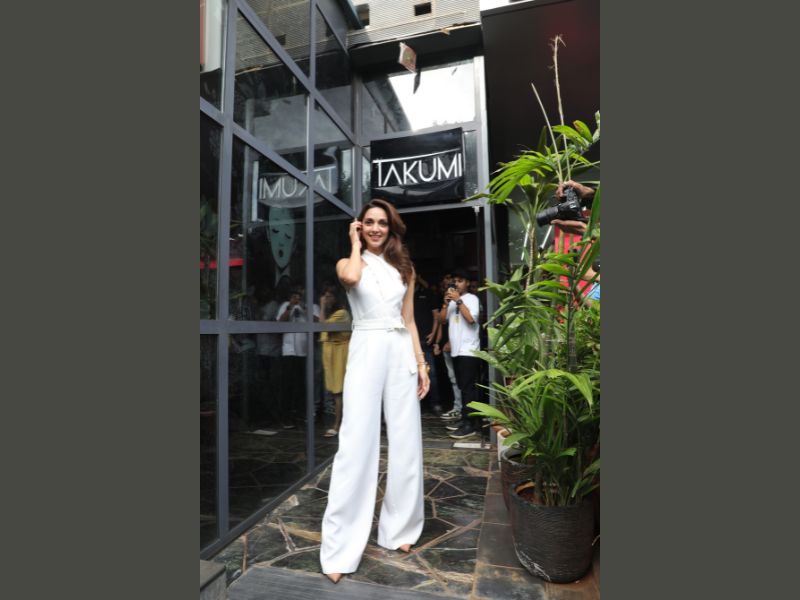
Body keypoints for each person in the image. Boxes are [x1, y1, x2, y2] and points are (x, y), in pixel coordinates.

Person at [320, 199, 430, 584]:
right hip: (366, 347)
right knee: (355, 443)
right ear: (360, 226)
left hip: (399, 349)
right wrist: (354, 244)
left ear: (391, 228)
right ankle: (339, 548)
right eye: (369, 222)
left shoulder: (405, 268)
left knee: (406, 440)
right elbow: (351, 279)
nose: (376, 228)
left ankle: (401, 528)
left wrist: (421, 363)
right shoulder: (348, 263)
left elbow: (409, 320)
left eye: (382, 223)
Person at [438, 268, 482, 440]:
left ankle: (470, 424)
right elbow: (442, 320)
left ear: (468, 283)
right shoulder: (451, 301)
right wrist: (445, 304)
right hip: (456, 350)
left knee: (468, 389)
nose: (456, 283)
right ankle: (466, 420)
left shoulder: (472, 299)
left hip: (469, 350)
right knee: (463, 388)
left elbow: (471, 319)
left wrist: (458, 301)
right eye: (455, 281)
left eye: (460, 280)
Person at [319, 288, 351, 437]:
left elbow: (323, 326)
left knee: (339, 392)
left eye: (328, 296)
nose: (326, 299)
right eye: (324, 297)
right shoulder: (334, 314)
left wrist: (321, 306)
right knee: (336, 392)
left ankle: (337, 426)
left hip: (340, 355)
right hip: (333, 355)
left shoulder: (341, 313)